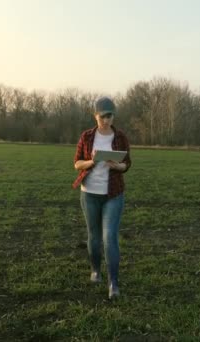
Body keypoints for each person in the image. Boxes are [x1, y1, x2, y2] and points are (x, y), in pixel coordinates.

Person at [72, 96, 131, 299]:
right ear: (95, 115)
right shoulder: (87, 137)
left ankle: (113, 283)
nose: (107, 120)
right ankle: (95, 270)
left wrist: (117, 166)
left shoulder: (120, 137)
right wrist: (91, 161)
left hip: (113, 194)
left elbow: (127, 164)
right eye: (103, 116)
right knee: (94, 237)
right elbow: (76, 164)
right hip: (89, 194)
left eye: (110, 115)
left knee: (109, 237)